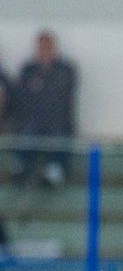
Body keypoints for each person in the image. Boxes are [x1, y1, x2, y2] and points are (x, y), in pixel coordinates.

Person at [10, 30, 76, 188]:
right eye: (41, 48)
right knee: (26, 134)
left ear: (54, 48)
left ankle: (53, 174)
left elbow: (63, 95)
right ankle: (20, 171)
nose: (44, 51)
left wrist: (41, 87)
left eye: (47, 47)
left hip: (58, 120)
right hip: (32, 119)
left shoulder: (66, 69)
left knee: (58, 135)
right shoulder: (28, 69)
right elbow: (23, 95)